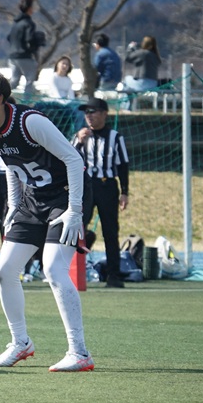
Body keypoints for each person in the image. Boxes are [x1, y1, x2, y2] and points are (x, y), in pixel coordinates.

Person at [0, 68, 93, 372]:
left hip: (66, 197)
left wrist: (75, 210)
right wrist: (13, 205)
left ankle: (79, 352)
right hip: (33, 199)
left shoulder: (29, 122)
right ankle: (20, 342)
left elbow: (74, 160)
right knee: (5, 270)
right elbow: (11, 165)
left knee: (54, 268)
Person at [73, 97, 130, 289]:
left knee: (110, 231)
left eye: (93, 112)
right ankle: (73, 272)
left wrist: (125, 192)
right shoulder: (79, 136)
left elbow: (123, 165)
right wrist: (79, 142)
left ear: (104, 114)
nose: (89, 116)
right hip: (84, 187)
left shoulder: (115, 137)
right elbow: (69, 159)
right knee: (77, 228)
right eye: (86, 112)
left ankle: (113, 275)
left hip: (107, 186)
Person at [6, 0, 40, 97]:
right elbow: (29, 39)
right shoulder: (29, 23)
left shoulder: (16, 23)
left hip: (12, 56)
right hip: (24, 56)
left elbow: (9, 37)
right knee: (29, 81)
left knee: (14, 81)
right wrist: (35, 45)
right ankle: (27, 102)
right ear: (29, 8)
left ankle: (0, 96)